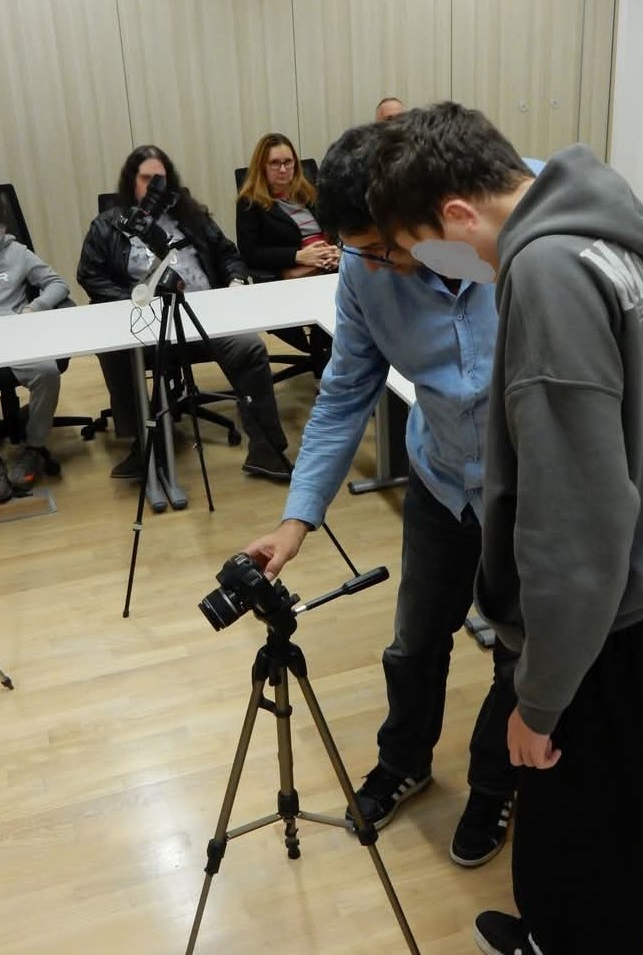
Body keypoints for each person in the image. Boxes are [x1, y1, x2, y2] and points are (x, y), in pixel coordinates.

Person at [367, 102, 643, 955]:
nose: (437, 267)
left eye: (423, 248)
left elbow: (575, 526)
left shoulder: (545, 270)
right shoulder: (608, 220)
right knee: (604, 824)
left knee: (581, 841)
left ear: (456, 215)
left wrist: (539, 697)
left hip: (608, 625)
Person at [243, 122, 543, 867]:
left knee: (518, 657)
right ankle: (404, 760)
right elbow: (345, 392)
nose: (383, 264)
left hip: (531, 496)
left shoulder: (528, 225)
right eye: (365, 251)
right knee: (414, 643)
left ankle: (492, 785)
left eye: (386, 245)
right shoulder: (364, 267)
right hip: (441, 483)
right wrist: (296, 519)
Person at [77, 144, 290, 481]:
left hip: (205, 315)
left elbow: (227, 253)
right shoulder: (108, 225)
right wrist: (132, 301)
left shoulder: (191, 216)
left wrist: (235, 281)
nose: (154, 186)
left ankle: (266, 451)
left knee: (250, 347)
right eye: (146, 179)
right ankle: (145, 446)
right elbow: (90, 275)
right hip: (146, 321)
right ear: (131, 181)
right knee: (115, 350)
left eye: (160, 179)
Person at [0, 189, 68, 501]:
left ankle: (34, 447)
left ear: (1, 227)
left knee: (47, 371)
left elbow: (57, 284)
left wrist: (34, 308)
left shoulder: (17, 252)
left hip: (15, 331)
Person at [236, 133, 340, 280]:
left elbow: (335, 227)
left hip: (330, 266)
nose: (283, 169)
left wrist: (336, 251)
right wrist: (297, 256)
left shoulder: (309, 192)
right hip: (295, 274)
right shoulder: (250, 202)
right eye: (275, 163)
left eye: (288, 162)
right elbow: (250, 253)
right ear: (262, 167)